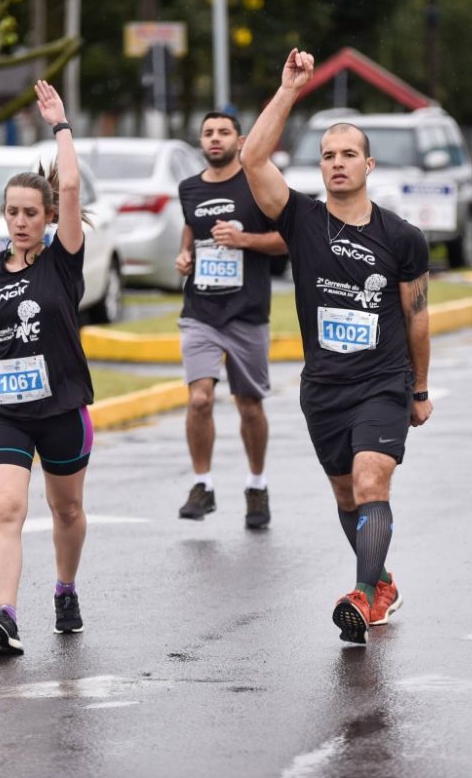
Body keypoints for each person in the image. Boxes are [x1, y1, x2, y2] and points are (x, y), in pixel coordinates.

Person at [241, 49, 433, 645]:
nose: (338, 163)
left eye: (349, 154)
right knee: (348, 496)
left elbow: (417, 317)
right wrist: (289, 91)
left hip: (383, 381)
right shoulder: (300, 220)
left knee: (373, 481)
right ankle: (382, 584)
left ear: (368, 164)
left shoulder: (403, 237)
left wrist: (419, 389)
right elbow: (251, 159)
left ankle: (363, 596)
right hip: (323, 388)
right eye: (328, 155)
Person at [0, 80, 94, 656]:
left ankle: (65, 589)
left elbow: (70, 184)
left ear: (47, 216)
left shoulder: (63, 262)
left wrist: (60, 125)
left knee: (66, 509)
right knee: (6, 508)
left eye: (31, 213)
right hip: (6, 412)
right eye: (12, 212)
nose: (21, 222)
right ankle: (6, 615)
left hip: (62, 408)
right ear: (4, 214)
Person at [174, 111, 289, 528]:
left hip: (247, 312)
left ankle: (256, 486)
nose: (215, 138)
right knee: (199, 399)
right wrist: (184, 254)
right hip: (201, 312)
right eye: (208, 132)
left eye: (224, 132)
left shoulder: (257, 183)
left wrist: (243, 240)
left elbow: (286, 240)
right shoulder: (189, 188)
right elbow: (192, 228)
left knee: (250, 406)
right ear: (200, 141)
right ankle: (201, 485)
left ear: (240, 141)